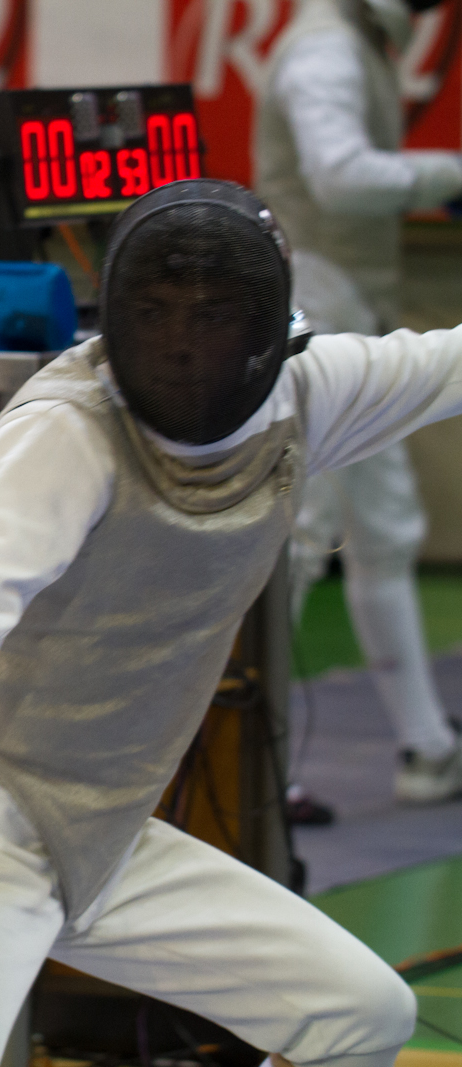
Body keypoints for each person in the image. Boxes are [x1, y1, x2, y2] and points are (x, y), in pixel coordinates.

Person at [0, 179, 449, 1067]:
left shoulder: (309, 395)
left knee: (362, 1013)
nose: (181, 344)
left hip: (106, 843)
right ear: (116, 317)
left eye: (213, 314)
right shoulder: (67, 431)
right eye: (154, 312)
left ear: (265, 328)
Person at [255, 0, 462, 808]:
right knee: (298, 532)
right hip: (315, 308)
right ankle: (252, 764)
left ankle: (428, 747)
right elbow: (339, 176)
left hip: (346, 305)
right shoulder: (325, 51)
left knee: (382, 526)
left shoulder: (354, 42)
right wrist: (449, 174)